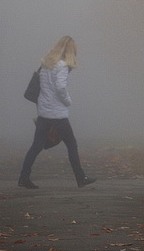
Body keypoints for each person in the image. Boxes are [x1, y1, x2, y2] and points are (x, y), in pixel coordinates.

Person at [19, 36, 96, 189]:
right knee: (72, 144)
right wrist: (68, 101)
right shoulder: (62, 66)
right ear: (70, 51)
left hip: (44, 110)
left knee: (36, 145)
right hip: (57, 113)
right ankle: (81, 178)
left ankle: (24, 177)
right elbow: (60, 87)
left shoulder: (46, 64)